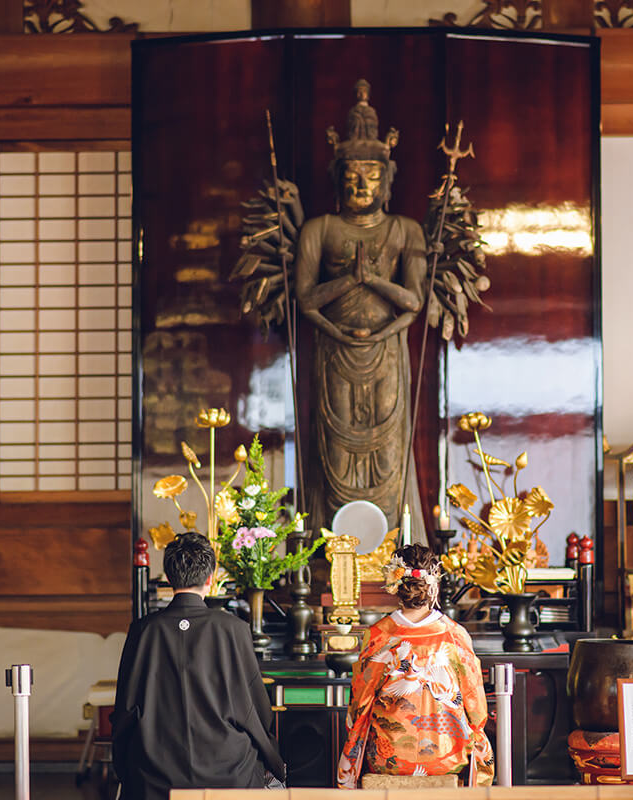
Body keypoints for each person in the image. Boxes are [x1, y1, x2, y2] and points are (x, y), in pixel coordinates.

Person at [295, 80, 427, 535]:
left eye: (371, 175)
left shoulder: (405, 229)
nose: (361, 183)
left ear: (386, 179)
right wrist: (348, 286)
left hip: (389, 356)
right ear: (338, 177)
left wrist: (371, 281)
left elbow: (413, 302)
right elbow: (306, 300)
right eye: (352, 174)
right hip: (333, 355)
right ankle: (332, 554)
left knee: (389, 456)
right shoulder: (320, 228)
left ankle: (393, 553)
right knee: (334, 454)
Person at [111, 533, 287, 798]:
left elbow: (126, 707)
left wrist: (125, 765)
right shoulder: (234, 629)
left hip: (155, 774)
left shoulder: (142, 630)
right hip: (228, 773)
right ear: (210, 579)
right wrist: (272, 754)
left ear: (168, 579)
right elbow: (254, 706)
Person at [337, 545, 493, 788]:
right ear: (434, 586)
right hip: (448, 757)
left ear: (396, 586)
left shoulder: (379, 635)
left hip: (388, 758)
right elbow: (476, 706)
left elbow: (360, 703)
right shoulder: (454, 635)